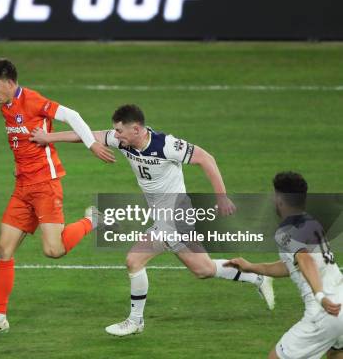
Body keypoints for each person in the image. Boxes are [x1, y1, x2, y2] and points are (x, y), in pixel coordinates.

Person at [30, 104, 275, 336]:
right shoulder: (123, 140)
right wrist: (48, 138)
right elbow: (86, 135)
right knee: (203, 269)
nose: (115, 135)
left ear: (135, 129)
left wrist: (221, 198)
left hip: (175, 217)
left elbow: (206, 158)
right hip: (166, 217)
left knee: (134, 259)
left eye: (119, 130)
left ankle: (135, 321)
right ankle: (257, 276)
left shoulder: (167, 145)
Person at [0, 59, 116, 342]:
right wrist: (19, 164)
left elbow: (72, 115)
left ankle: (92, 219)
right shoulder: (6, 108)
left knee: (54, 250)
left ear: (9, 82)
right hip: (22, 187)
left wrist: (93, 144)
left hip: (45, 186)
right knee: (2, 249)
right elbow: (21, 141)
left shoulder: (34, 100)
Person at [226, 172, 343, 359]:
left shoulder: (286, 232)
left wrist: (320, 297)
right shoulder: (311, 223)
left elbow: (305, 260)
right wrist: (252, 267)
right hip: (342, 303)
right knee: (336, 353)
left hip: (325, 311)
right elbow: (292, 265)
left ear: (280, 199)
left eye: (274, 194)